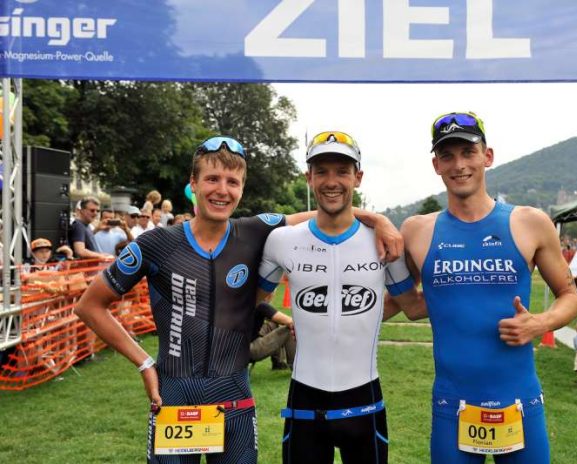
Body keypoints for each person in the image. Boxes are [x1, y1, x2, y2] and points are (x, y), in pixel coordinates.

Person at [74, 135, 402, 464]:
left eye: (233, 182)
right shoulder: (157, 243)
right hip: (174, 400)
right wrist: (144, 364)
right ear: (193, 183)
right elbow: (89, 305)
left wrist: (380, 220)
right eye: (212, 179)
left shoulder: (255, 231)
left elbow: (328, 210)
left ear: (242, 188)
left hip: (235, 405)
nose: (222, 190)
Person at [395, 112, 577, 464]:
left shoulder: (530, 222)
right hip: (453, 406)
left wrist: (540, 323)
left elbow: (571, 296)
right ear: (436, 165)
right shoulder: (416, 231)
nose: (459, 165)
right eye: (447, 156)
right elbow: (409, 303)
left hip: (519, 402)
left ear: (488, 156)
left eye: (468, 153)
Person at [257, 131, 424, 464]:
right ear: (308, 178)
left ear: (357, 177)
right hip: (304, 402)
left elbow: (413, 307)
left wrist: (482, 296)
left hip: (364, 402)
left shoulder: (383, 242)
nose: (331, 181)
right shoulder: (282, 241)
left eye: (342, 171)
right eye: (321, 171)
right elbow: (250, 302)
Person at [249, 301, 296, 370]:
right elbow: (291, 322)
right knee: (289, 329)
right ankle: (296, 368)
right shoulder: (261, 305)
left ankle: (279, 364)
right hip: (248, 351)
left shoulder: (243, 301)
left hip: (234, 349)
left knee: (273, 324)